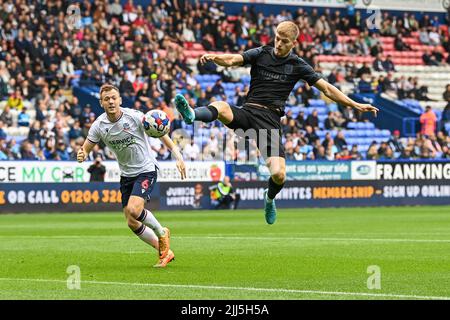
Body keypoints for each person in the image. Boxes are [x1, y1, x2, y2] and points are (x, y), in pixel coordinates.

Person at [174, 21, 378, 224]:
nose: (278, 44)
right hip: (248, 112)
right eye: (277, 38)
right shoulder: (262, 53)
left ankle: (269, 198)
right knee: (221, 106)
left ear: (293, 43)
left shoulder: (298, 65)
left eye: (284, 41)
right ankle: (192, 114)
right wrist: (215, 57)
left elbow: (326, 89)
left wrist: (355, 105)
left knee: (279, 175)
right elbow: (234, 60)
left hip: (269, 124)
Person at [77, 84, 186, 268]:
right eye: (107, 99)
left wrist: (178, 155)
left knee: (135, 209)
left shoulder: (134, 117)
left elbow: (161, 132)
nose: (111, 101)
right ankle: (164, 251)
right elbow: (86, 147)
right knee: (131, 221)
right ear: (101, 103)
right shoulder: (98, 125)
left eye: (114, 98)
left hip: (146, 169)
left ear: (120, 100)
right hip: (127, 174)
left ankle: (162, 232)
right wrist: (82, 154)